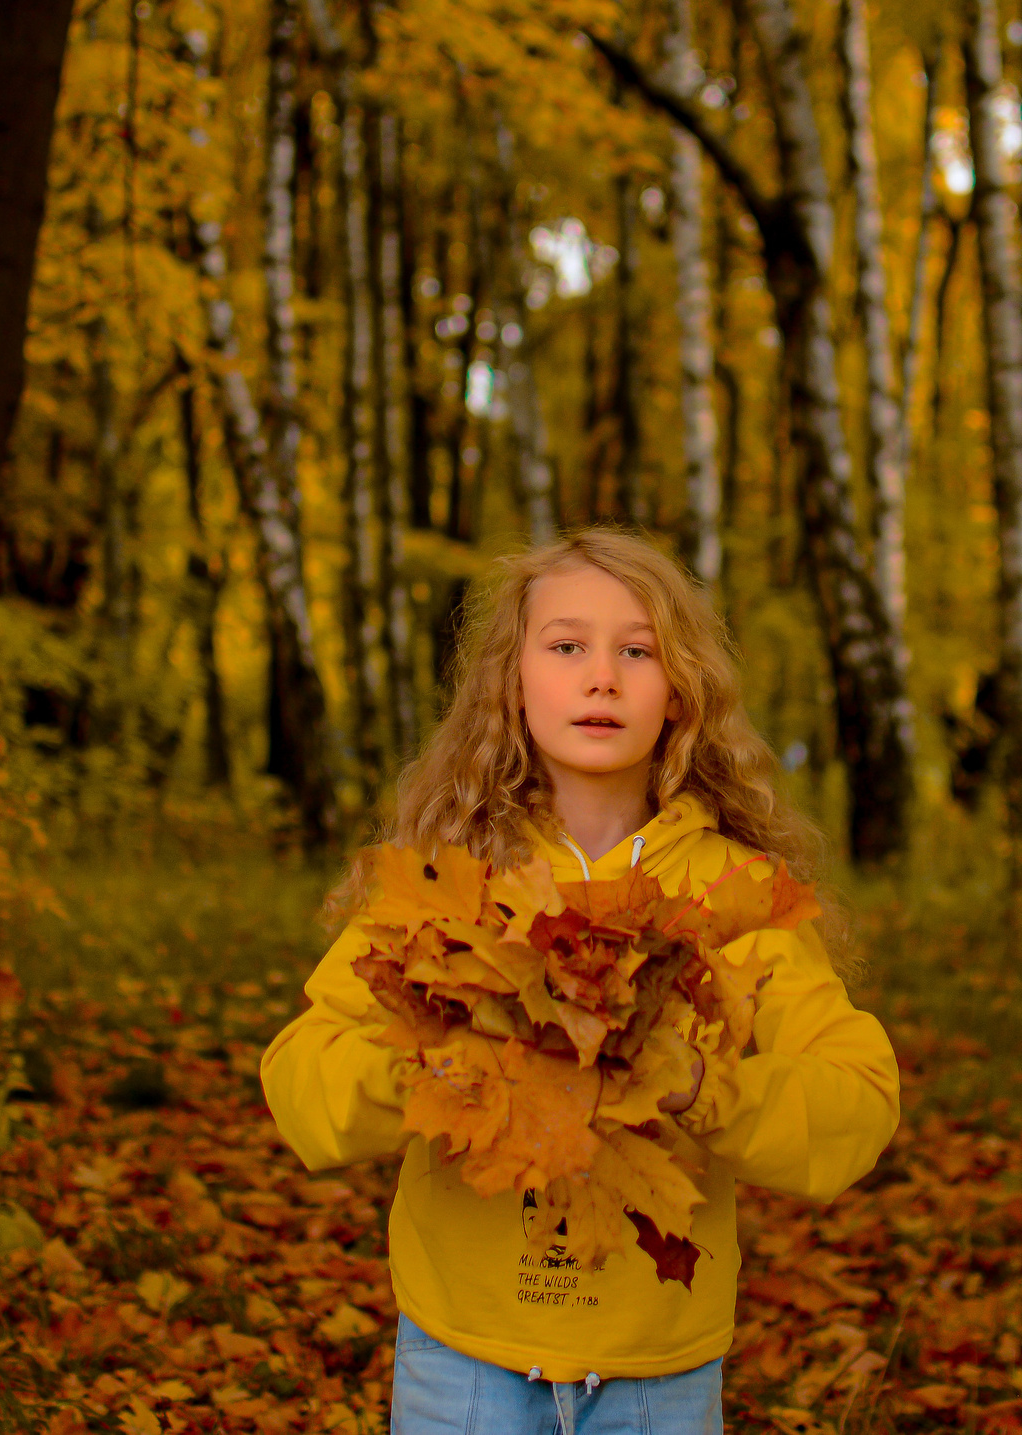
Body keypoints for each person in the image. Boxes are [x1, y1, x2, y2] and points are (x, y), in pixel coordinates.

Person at [261, 528, 900, 1434]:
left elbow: (859, 1101)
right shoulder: (452, 878)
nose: (602, 675)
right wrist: (433, 1063)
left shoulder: (733, 894)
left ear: (679, 689)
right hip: (465, 1359)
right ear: (511, 681)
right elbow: (302, 1082)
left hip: (657, 1376)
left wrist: (699, 1087)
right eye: (567, 646)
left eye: (637, 650)